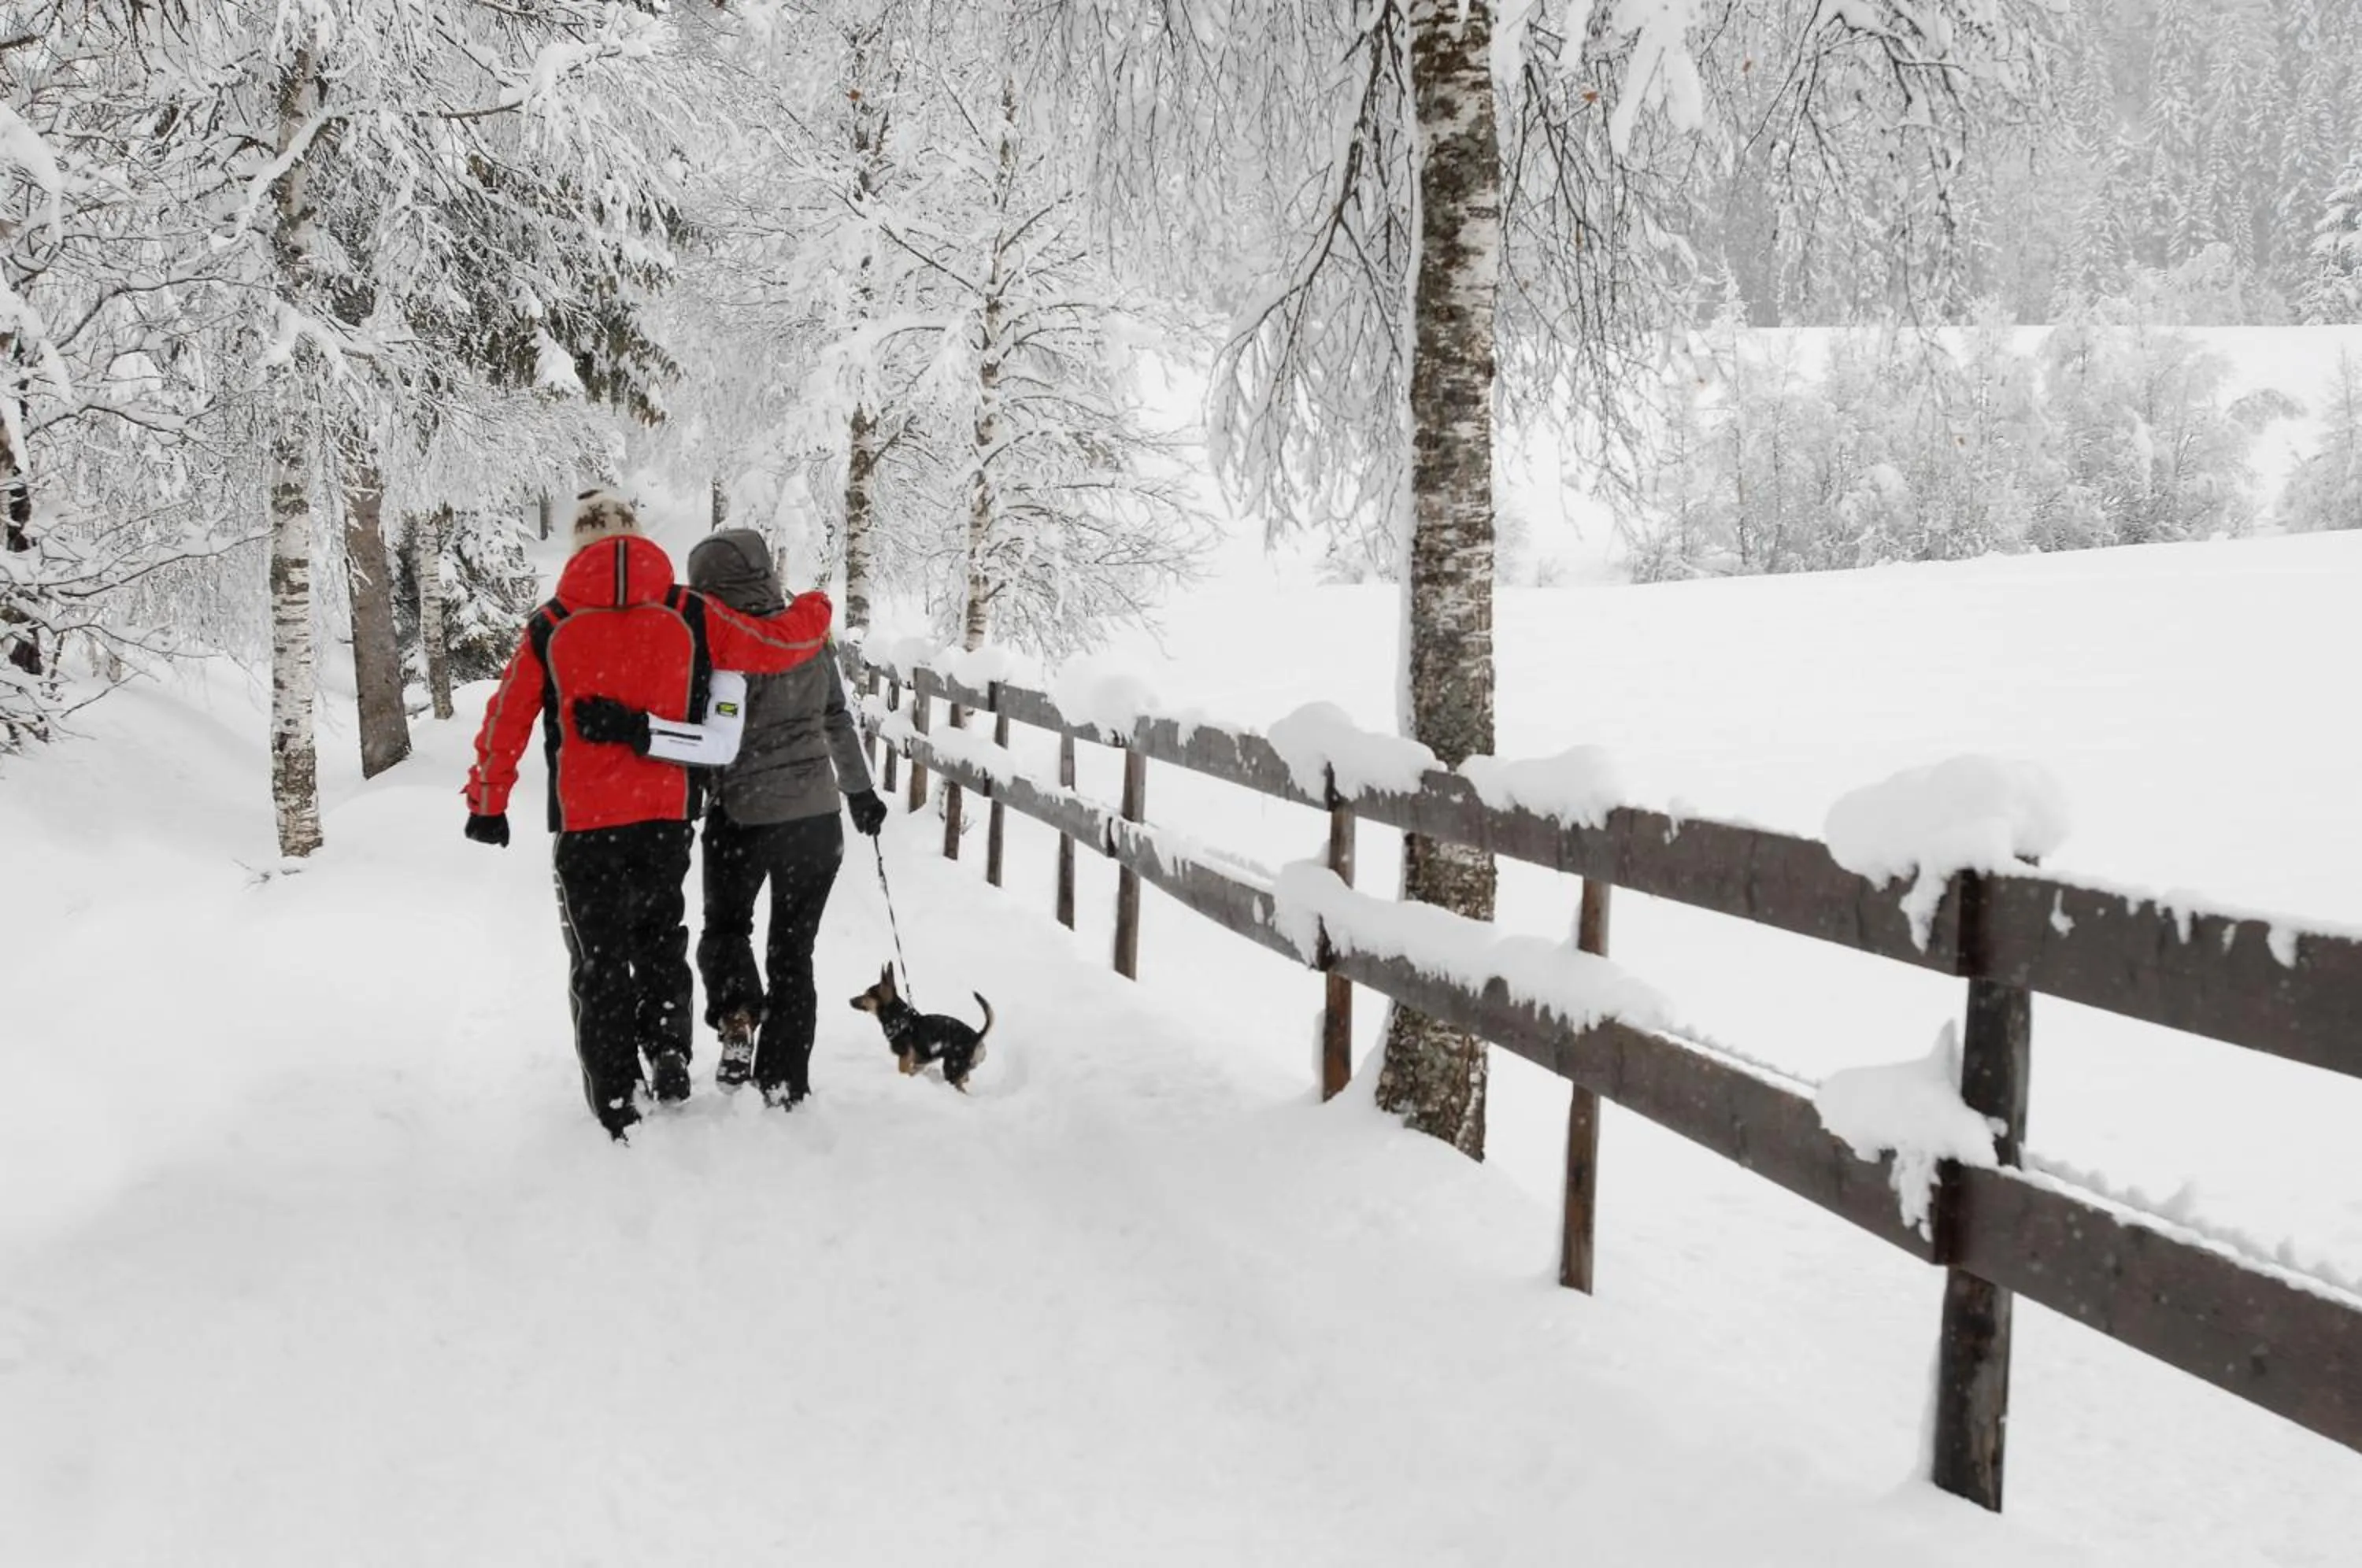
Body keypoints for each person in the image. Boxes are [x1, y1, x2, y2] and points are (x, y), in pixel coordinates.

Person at [461, 491, 833, 1141]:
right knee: (662, 934)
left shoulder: (550, 625)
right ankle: (668, 1048)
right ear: (637, 537)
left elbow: (507, 717)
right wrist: (817, 605)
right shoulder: (689, 610)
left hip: (585, 823)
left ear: (579, 548)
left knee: (598, 958)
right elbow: (775, 644)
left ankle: (614, 1096)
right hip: (664, 815)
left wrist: (489, 804)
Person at [601, 528, 887, 1108]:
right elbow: (836, 717)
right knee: (794, 952)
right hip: (815, 819)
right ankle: (783, 1078)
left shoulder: (716, 642)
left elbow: (707, 737)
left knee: (727, 929)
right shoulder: (810, 634)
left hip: (743, 819)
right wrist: (860, 792)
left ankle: (736, 1015)